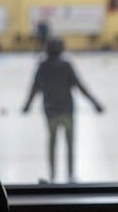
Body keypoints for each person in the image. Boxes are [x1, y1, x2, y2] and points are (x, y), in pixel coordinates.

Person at [22, 37, 104, 183]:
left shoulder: (42, 66)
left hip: (50, 111)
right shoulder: (66, 65)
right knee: (70, 143)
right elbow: (80, 86)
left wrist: (27, 105)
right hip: (67, 110)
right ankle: (71, 174)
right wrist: (95, 103)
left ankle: (53, 176)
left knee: (52, 143)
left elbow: (35, 88)